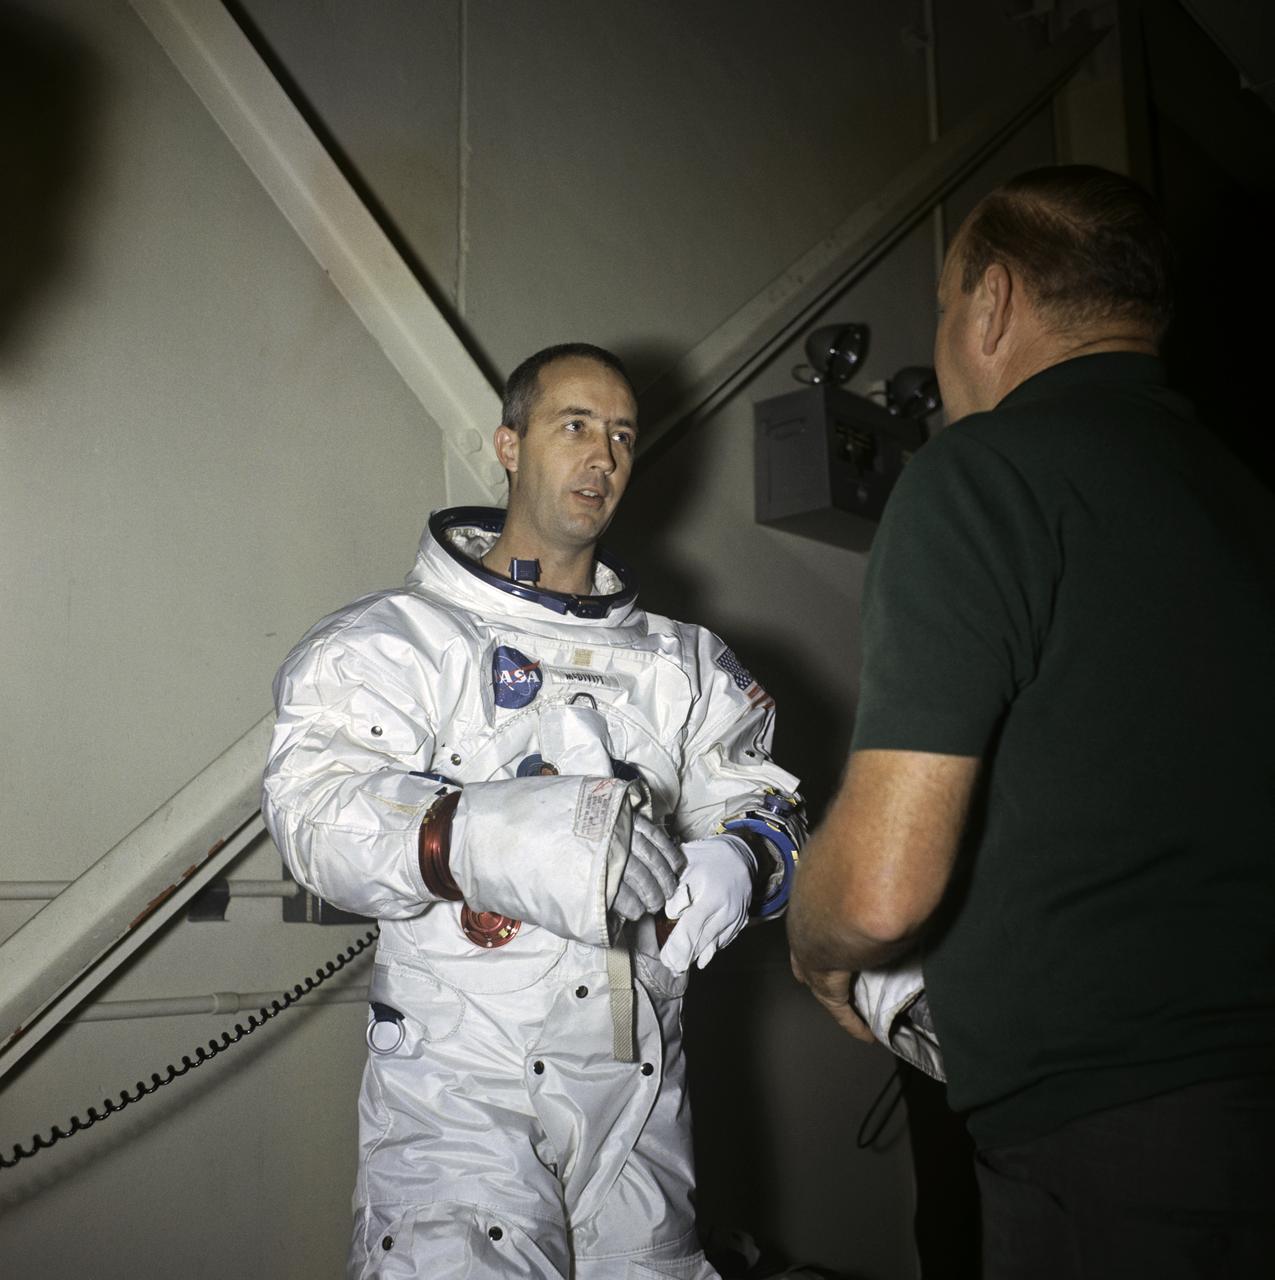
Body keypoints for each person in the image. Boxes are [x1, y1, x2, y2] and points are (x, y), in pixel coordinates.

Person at [787, 166, 1275, 1278]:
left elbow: (879, 890)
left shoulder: (978, 473)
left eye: (945, 306)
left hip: (1114, 1151)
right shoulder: (1247, 500)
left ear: (993, 299)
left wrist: (812, 943)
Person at [263, 343, 803, 1279]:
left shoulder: (680, 664)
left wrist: (743, 860)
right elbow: (316, 814)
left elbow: (764, 799)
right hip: (463, 1094)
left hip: (639, 1096)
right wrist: (489, 836)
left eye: (622, 436)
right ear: (509, 445)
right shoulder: (400, 643)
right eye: (574, 425)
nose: (602, 455)